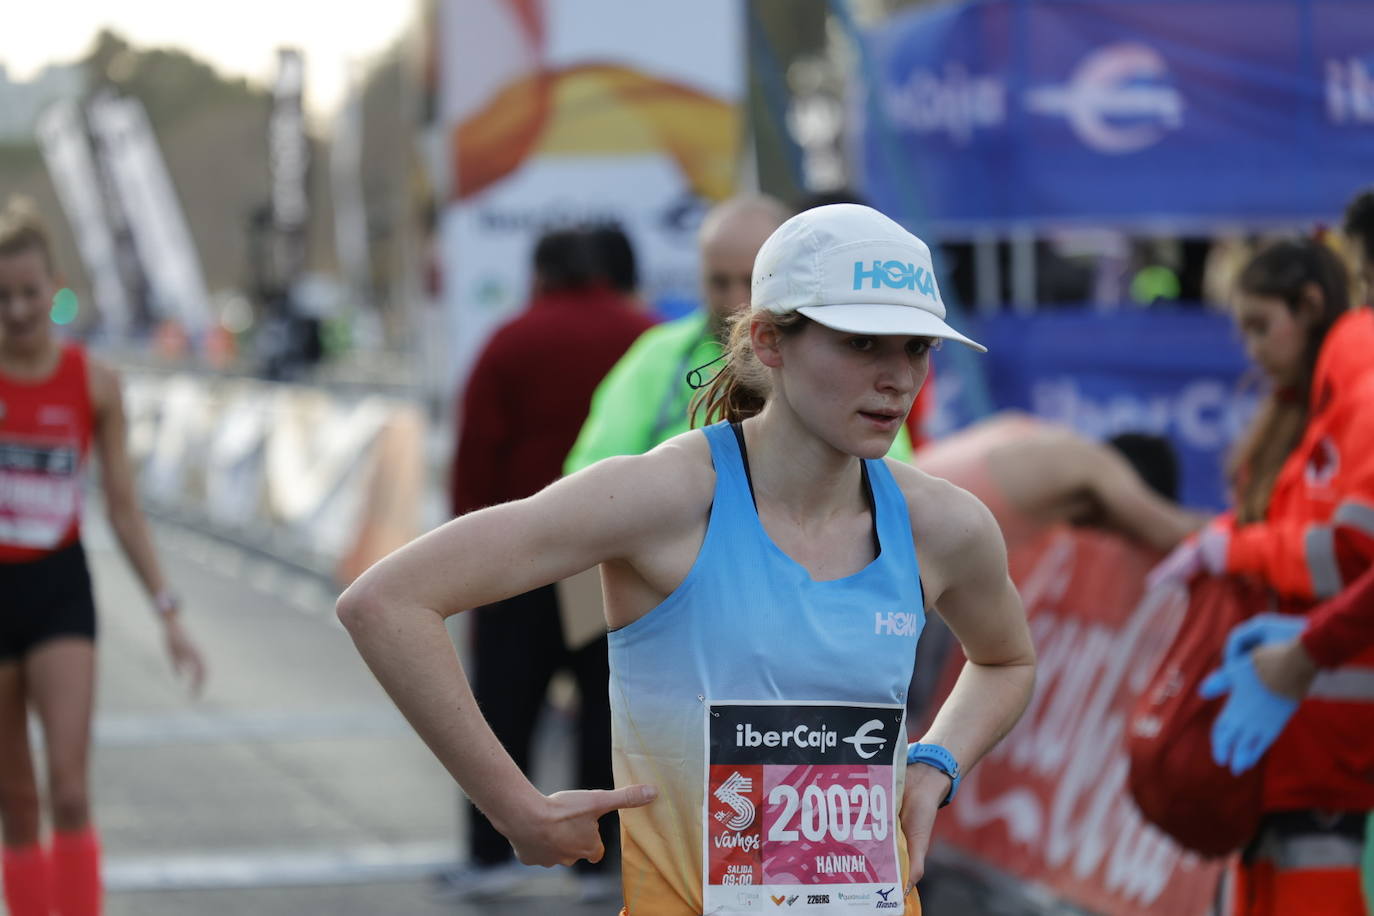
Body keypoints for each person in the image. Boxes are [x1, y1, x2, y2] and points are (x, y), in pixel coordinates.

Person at [339, 203, 1036, 915]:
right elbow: (386, 601)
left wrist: (934, 763)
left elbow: (1007, 660)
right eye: (863, 344)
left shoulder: (943, 524)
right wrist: (513, 806)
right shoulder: (666, 498)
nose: (897, 377)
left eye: (917, 347)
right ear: (769, 340)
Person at [1149, 237, 1374, 916]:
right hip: (1286, 722)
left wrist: (1238, 549)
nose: (1251, 347)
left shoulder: (1357, 384)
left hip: (1326, 736)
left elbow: (1348, 554)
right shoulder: (1307, 415)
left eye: (1260, 324)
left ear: (1311, 305)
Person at [0, 198, 206, 916]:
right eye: (2, 297)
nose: (19, 310)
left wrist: (168, 611)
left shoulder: (94, 383)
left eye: (30, 292)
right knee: (17, 803)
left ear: (55, 286)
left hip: (58, 589)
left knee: (70, 789)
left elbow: (123, 509)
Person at [440, 226, 655, 901]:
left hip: (519, 563)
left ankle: (490, 855)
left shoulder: (511, 341)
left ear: (541, 275)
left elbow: (475, 462)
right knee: (604, 706)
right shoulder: (644, 337)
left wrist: (467, 573)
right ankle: (602, 858)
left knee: (505, 706)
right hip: (608, 564)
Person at [564, 195, 917, 474]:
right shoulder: (659, 355)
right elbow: (591, 472)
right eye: (719, 282)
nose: (736, 303)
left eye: (751, 282)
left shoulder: (834, 368)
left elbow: (889, 474)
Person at [913, 411, 1205, 555]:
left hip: (882, 505)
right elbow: (1170, 531)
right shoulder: (1096, 463)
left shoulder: (1025, 429)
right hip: (903, 552)